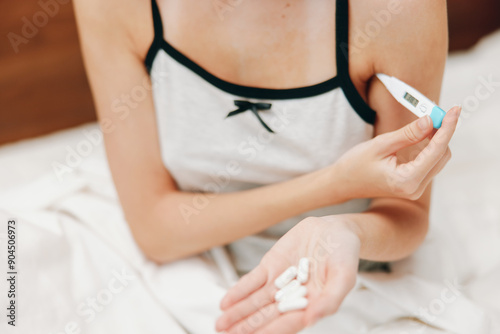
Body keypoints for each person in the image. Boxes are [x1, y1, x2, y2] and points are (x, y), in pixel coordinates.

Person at [74, 0, 457, 332]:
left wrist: (345, 230)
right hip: (189, 259)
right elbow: (155, 228)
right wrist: (335, 183)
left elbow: (406, 209)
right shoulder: (116, 7)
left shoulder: (398, 10)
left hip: (351, 272)